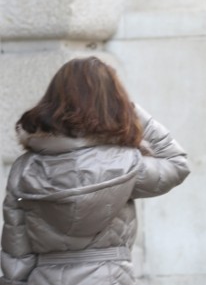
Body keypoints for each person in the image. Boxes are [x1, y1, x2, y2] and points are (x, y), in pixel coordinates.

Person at [1, 57, 190, 285]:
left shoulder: (26, 168)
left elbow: (16, 246)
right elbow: (177, 163)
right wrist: (129, 110)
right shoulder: (125, 163)